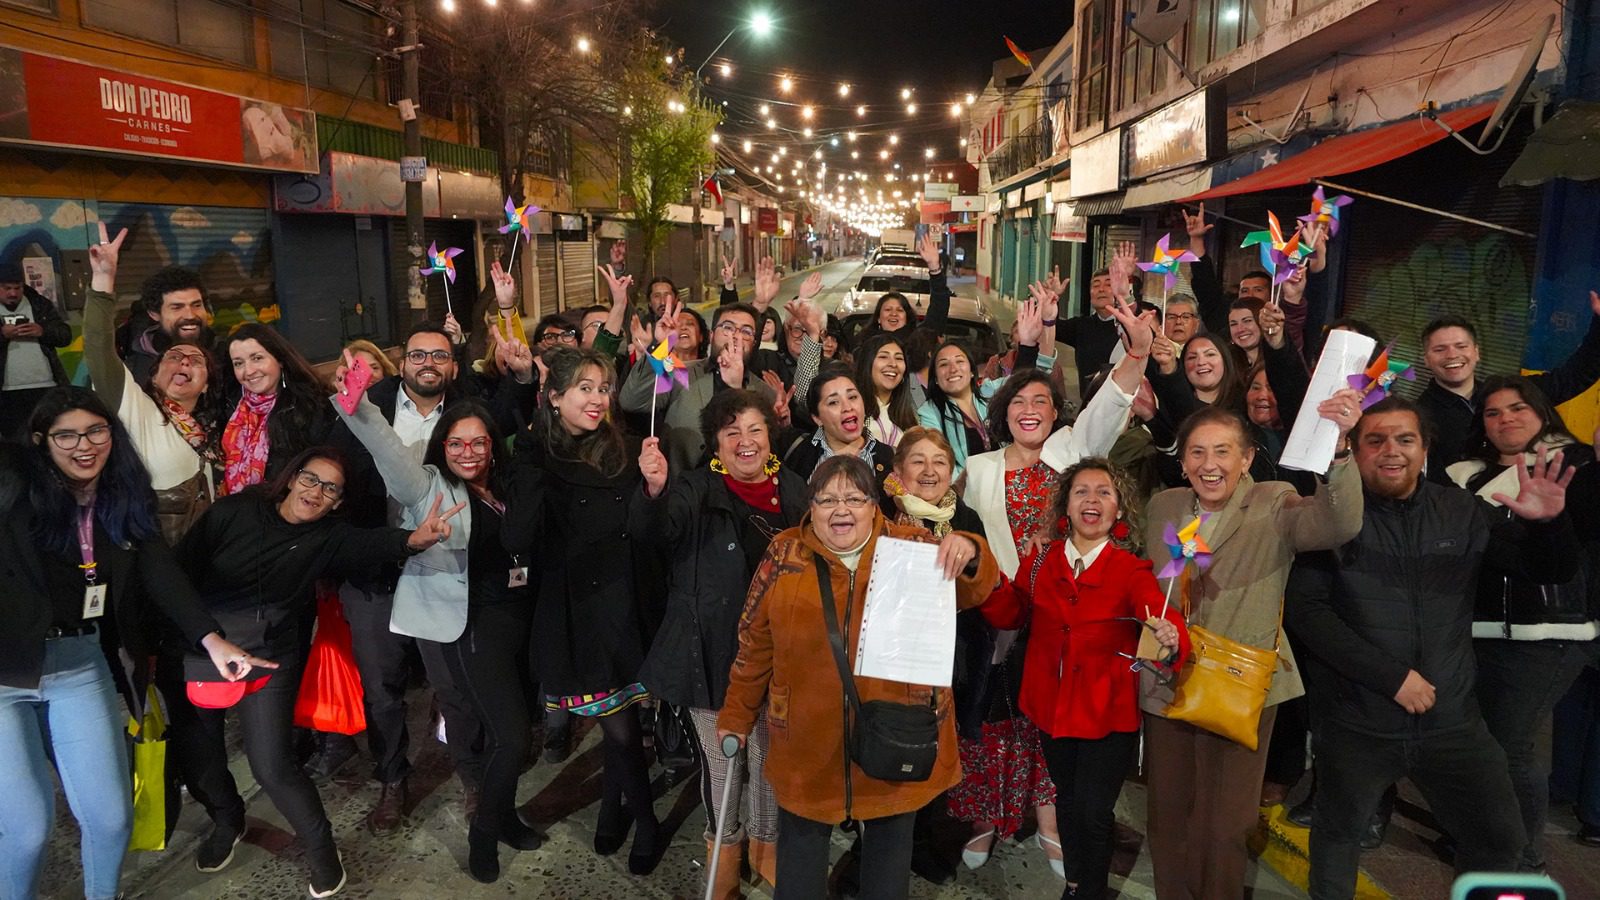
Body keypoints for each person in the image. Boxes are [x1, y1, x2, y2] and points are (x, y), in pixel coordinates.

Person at [1287, 396, 1579, 898]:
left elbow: (1547, 572)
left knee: (1501, 840)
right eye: (1374, 441)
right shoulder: (1329, 522)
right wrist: (1392, 678)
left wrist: (1547, 528)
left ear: (1425, 450)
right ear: (1354, 452)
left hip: (1453, 722)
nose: (1390, 451)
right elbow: (1308, 615)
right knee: (1338, 838)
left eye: (1405, 439)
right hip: (1357, 721)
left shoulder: (1461, 511)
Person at [0, 387, 267, 900]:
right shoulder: (15, 489)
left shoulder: (122, 494)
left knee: (111, 818)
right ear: (40, 441)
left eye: (96, 431)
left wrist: (213, 640)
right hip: (5, 674)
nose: (85, 445)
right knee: (28, 831)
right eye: (67, 435)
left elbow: (158, 571)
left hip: (79, 665)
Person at [163, 446, 456, 897]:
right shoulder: (235, 512)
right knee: (201, 756)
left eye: (330, 489)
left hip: (269, 654)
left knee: (273, 765)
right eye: (310, 479)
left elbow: (373, 543)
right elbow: (177, 573)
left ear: (338, 502)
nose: (316, 492)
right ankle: (228, 819)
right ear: (291, 477)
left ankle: (322, 849)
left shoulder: (328, 537)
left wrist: (413, 540)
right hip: (204, 647)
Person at [716, 455, 1001, 900]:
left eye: (854, 497)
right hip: (807, 741)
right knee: (799, 871)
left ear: (874, 504)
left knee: (887, 871)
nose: (841, 509)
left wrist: (970, 551)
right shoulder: (784, 553)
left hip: (894, 733)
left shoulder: (913, 548)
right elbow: (755, 644)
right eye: (827, 499)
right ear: (810, 506)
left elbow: (975, 588)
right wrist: (736, 715)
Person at [955, 297, 1156, 876]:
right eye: (1018, 401)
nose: (1030, 409)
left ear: (1056, 413)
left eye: (1041, 400)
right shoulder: (982, 468)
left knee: (1052, 721)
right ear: (1002, 414)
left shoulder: (1072, 451)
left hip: (1063, 616)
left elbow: (1112, 401)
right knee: (991, 718)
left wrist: (1138, 351)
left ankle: (1049, 817)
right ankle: (988, 815)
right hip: (1000, 611)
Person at [1141, 398, 1365, 900]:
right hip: (1167, 679)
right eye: (1197, 453)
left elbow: (1338, 525)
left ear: (1246, 458)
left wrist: (1341, 452)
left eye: (1223, 451)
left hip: (1240, 684)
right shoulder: (1165, 506)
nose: (1209, 464)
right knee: (1169, 815)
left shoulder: (1273, 502)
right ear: (1183, 462)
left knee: (1226, 824)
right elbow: (1147, 585)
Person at [332, 352, 545, 881]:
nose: (468, 453)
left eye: (478, 442)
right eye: (456, 443)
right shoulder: (427, 485)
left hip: (515, 620)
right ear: (441, 447)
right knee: (511, 737)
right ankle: (484, 833)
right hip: (467, 626)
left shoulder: (505, 484)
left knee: (510, 732)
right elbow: (387, 451)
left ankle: (504, 815)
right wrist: (358, 407)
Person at [982, 459, 1189, 900]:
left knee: (1094, 812)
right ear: (1066, 505)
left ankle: (1089, 890)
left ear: (1118, 511)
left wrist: (1170, 635)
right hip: (1051, 708)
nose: (1092, 500)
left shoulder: (1131, 569)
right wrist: (985, 583)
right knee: (1068, 801)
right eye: (1081, 492)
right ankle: (1076, 881)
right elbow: (1012, 611)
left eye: (1104, 492)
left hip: (1106, 711)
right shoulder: (1041, 561)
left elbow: (1160, 613)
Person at [637, 389, 807, 898]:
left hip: (780, 655)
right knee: (725, 763)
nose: (745, 441)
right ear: (716, 442)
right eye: (732, 432)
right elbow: (654, 535)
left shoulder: (795, 491)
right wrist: (655, 490)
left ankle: (765, 849)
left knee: (768, 760)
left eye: (754, 429)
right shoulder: (693, 489)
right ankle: (724, 862)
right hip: (707, 656)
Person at [503, 347, 664, 874]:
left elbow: (647, 532)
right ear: (554, 398)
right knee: (615, 726)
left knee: (620, 724)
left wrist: (653, 488)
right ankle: (638, 817)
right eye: (585, 389)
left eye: (603, 388)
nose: (598, 399)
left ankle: (628, 817)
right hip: (572, 610)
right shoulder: (534, 455)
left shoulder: (629, 448)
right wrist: (528, 461)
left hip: (626, 602)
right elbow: (517, 537)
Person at [1444, 375, 1600, 869]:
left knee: (1511, 747)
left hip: (1548, 635)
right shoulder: (1461, 475)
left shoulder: (1573, 466)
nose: (1506, 419)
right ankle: (1488, 840)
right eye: (1493, 412)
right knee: (1487, 746)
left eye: (1518, 408)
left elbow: (1580, 541)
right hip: (1476, 632)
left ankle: (1523, 859)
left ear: (1541, 412)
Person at [82, 224, 225, 543]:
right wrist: (103, 281)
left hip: (207, 544)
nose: (185, 361)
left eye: (197, 304)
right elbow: (97, 350)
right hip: (155, 547)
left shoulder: (221, 370)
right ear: (153, 373)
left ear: (206, 384)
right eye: (174, 358)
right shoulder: (137, 407)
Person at [1417, 290, 1600, 478]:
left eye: (1461, 346)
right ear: (1426, 360)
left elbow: (1576, 376)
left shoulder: (1517, 392)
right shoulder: (1419, 418)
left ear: (1476, 352)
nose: (1452, 355)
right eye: (1440, 349)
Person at [620, 297, 775, 472]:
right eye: (728, 327)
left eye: (746, 331)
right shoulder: (680, 373)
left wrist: (735, 388)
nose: (736, 335)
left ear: (754, 344)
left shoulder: (766, 394)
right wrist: (661, 346)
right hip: (681, 488)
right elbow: (631, 401)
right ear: (711, 335)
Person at [221, 322, 333, 495]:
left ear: (279, 359)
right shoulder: (230, 405)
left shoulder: (312, 406)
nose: (248, 371)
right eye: (238, 363)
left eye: (257, 358)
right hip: (239, 512)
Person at [782, 361, 894, 498]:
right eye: (833, 402)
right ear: (817, 418)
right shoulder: (798, 454)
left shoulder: (890, 457)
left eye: (852, 397)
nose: (847, 407)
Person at [0, 261, 70, 439]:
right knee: (15, 442)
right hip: (8, 391)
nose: (13, 293)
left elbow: (64, 335)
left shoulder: (39, 304)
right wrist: (3, 334)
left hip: (45, 385)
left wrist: (43, 331)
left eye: (17, 287)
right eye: (7, 288)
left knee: (49, 436)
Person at [853, 229, 950, 351]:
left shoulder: (919, 342)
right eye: (888, 309)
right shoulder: (863, 345)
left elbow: (939, 307)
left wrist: (934, 268)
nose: (894, 314)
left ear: (907, 317)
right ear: (878, 317)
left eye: (900, 310)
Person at [120, 264, 213, 386]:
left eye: (196, 305)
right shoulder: (134, 370)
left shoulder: (224, 355)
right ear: (154, 314)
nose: (190, 315)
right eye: (177, 307)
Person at [856, 334, 919, 448]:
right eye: (883, 357)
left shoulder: (911, 417)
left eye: (899, 358)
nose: (893, 364)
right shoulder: (853, 408)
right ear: (867, 363)